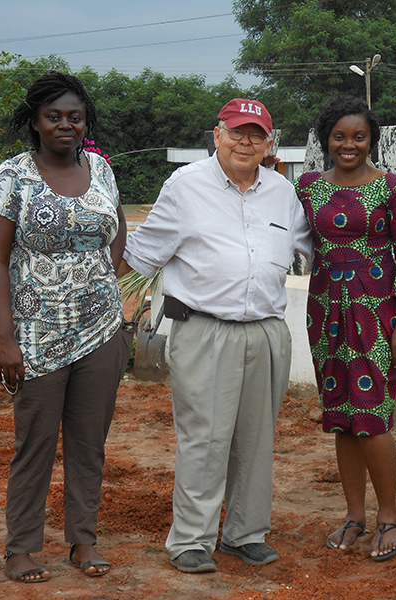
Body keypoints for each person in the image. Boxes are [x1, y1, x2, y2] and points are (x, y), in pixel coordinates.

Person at [116, 98, 313, 573]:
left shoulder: (282, 192)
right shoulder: (186, 186)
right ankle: (190, 541)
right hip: (204, 330)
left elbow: (314, 248)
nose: (246, 141)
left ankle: (245, 533)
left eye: (257, 134)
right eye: (237, 132)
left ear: (270, 142)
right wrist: (109, 308)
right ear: (218, 134)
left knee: (256, 437)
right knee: (203, 438)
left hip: (267, 331)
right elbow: (141, 256)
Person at [0, 71, 131, 583]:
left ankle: (82, 542)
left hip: (101, 332)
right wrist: (7, 340)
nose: (65, 125)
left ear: (85, 121)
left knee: (90, 442)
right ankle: (21, 548)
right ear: (36, 122)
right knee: (36, 443)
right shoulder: (13, 176)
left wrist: (98, 281)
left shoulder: (102, 169)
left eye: (75, 116)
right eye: (54, 117)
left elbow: (117, 229)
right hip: (37, 336)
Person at [294, 97, 396, 561]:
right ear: (326, 141)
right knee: (340, 415)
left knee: (373, 416)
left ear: (371, 140)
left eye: (359, 136)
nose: (349, 145)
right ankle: (354, 515)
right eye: (340, 136)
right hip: (324, 311)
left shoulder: (393, 189)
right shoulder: (308, 187)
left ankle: (389, 516)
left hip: (377, 315)